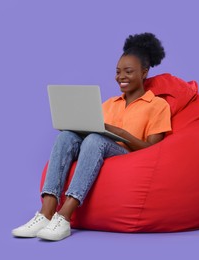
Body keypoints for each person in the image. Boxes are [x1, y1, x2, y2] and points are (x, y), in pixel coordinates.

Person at [12, 32, 172, 241]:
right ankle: (46, 212)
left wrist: (120, 133)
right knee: (66, 136)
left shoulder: (158, 105)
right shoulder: (109, 104)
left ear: (144, 72)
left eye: (128, 71)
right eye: (117, 72)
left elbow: (153, 149)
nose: (121, 77)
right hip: (97, 149)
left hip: (128, 156)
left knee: (96, 140)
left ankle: (65, 216)